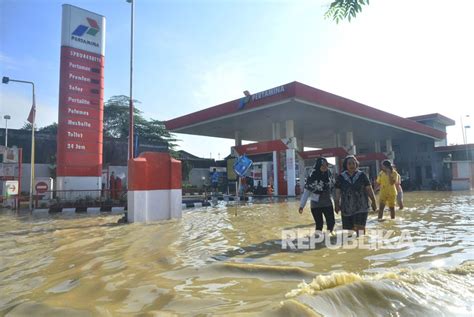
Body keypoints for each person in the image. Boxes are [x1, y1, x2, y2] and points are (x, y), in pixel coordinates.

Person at [335, 155, 377, 235]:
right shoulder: (340, 177)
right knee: (350, 231)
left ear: (356, 164)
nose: (351, 165)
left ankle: (362, 244)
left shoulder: (362, 175)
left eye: (353, 163)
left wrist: (374, 201)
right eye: (349, 164)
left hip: (362, 206)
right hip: (347, 208)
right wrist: (336, 204)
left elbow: (369, 189)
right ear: (346, 165)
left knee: (360, 229)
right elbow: (337, 192)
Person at [299, 157, 336, 234]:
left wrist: (337, 204)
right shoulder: (312, 177)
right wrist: (302, 206)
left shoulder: (329, 175)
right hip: (316, 205)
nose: (325, 167)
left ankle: (328, 237)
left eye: (326, 165)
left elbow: (333, 190)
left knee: (331, 222)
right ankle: (318, 241)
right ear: (318, 166)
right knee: (319, 225)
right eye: (323, 165)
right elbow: (306, 192)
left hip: (327, 203)